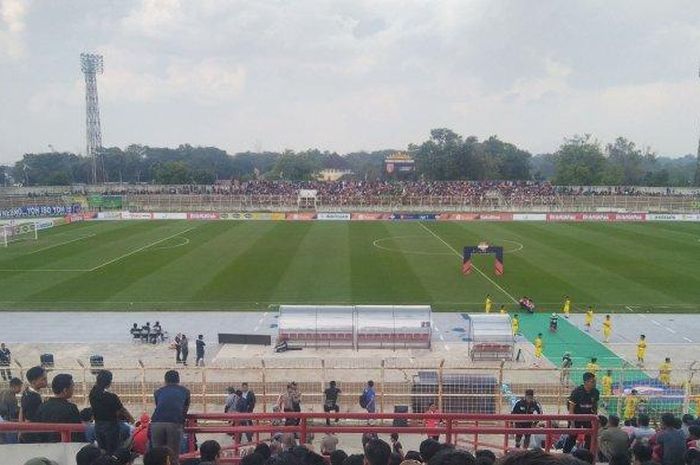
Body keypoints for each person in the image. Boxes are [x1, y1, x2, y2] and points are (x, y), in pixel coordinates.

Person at [90, 370, 134, 455]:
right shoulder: (111, 397)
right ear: (109, 382)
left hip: (98, 425)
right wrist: (132, 420)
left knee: (102, 450)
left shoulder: (92, 394)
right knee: (112, 450)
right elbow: (122, 410)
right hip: (110, 426)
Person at [151, 370, 191, 465]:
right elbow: (184, 409)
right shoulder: (185, 391)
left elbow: (158, 406)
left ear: (165, 380)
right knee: (173, 455)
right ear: (178, 380)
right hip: (174, 422)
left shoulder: (158, 392)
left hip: (156, 423)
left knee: (157, 456)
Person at [36, 373, 82, 443]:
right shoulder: (71, 408)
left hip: (46, 446)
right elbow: (78, 433)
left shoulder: (42, 407)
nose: (73, 389)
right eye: (72, 387)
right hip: (66, 446)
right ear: (65, 390)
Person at [563, 372, 600, 453]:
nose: (595, 383)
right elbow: (571, 409)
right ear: (586, 382)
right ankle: (565, 454)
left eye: (595, 381)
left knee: (590, 437)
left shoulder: (595, 392)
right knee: (572, 437)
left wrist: (595, 420)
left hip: (588, 418)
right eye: (592, 381)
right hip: (576, 417)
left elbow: (595, 407)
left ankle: (587, 456)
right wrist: (572, 423)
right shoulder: (576, 392)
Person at [19, 365, 47, 443]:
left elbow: (21, 410)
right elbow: (29, 420)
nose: (46, 381)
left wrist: (20, 429)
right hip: (33, 436)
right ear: (34, 382)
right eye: (43, 379)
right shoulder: (33, 398)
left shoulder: (26, 392)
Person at [0, 377, 22, 443]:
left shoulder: (3, 391)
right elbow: (13, 412)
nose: (20, 389)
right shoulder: (11, 397)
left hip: (2, 419)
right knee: (11, 442)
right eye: (19, 387)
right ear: (14, 386)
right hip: (7, 421)